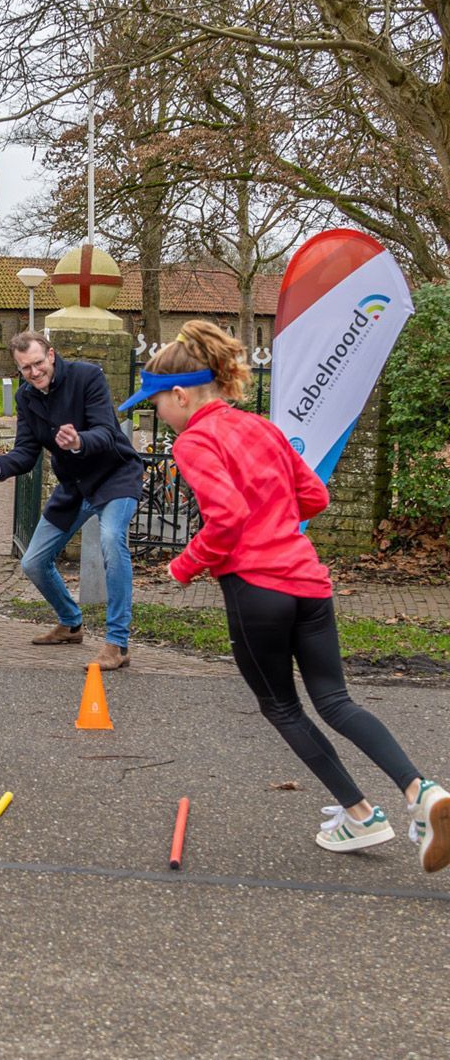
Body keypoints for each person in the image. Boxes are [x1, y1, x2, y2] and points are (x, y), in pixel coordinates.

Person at [120, 320, 449, 869]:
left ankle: (362, 815)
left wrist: (184, 565)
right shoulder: (261, 428)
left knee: (281, 705)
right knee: (337, 702)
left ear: (180, 396)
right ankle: (422, 793)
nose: (157, 414)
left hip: (258, 592)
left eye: (157, 404)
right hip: (309, 584)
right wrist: (274, 524)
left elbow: (226, 519)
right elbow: (314, 496)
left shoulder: (195, 440)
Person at [0, 331, 144, 670]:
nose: (34, 373)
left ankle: (117, 644)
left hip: (114, 477)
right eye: (25, 369)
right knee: (33, 562)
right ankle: (70, 623)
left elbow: (108, 433)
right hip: (74, 486)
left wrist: (78, 440)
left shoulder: (87, 376)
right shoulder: (27, 398)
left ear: (51, 355)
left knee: (111, 540)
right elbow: (25, 452)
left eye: (37, 363)